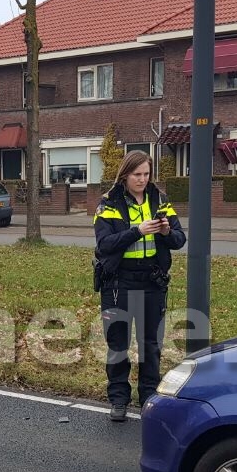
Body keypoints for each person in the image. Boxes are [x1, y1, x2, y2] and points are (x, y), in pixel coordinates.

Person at [93, 151, 186, 422]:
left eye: (146, 174)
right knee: (118, 343)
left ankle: (147, 397)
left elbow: (180, 239)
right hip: (118, 282)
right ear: (125, 175)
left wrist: (167, 232)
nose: (142, 180)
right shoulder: (108, 204)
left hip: (152, 281)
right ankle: (119, 398)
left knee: (151, 344)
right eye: (137, 175)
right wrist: (138, 231)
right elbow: (105, 244)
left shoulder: (160, 199)